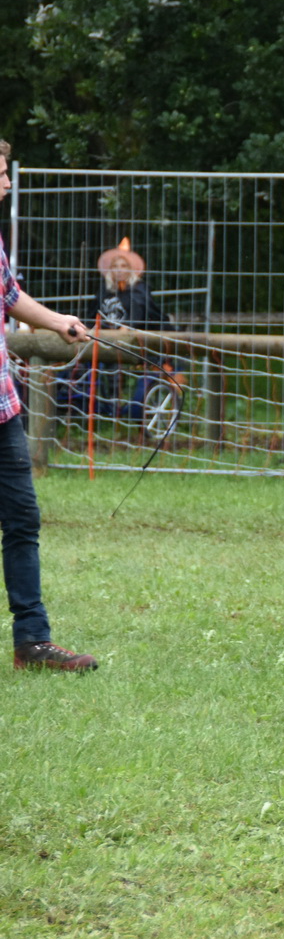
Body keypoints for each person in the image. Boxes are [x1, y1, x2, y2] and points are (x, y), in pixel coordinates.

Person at [0, 138, 98, 671]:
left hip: (3, 408)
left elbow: (9, 296)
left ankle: (32, 643)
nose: (8, 181)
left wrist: (58, 321)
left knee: (22, 519)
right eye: (0, 173)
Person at [91, 241, 170, 329]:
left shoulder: (139, 287)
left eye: (123, 266)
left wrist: (126, 327)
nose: (119, 270)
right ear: (110, 269)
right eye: (115, 266)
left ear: (130, 269)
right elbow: (93, 313)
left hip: (135, 334)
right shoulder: (104, 289)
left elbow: (140, 311)